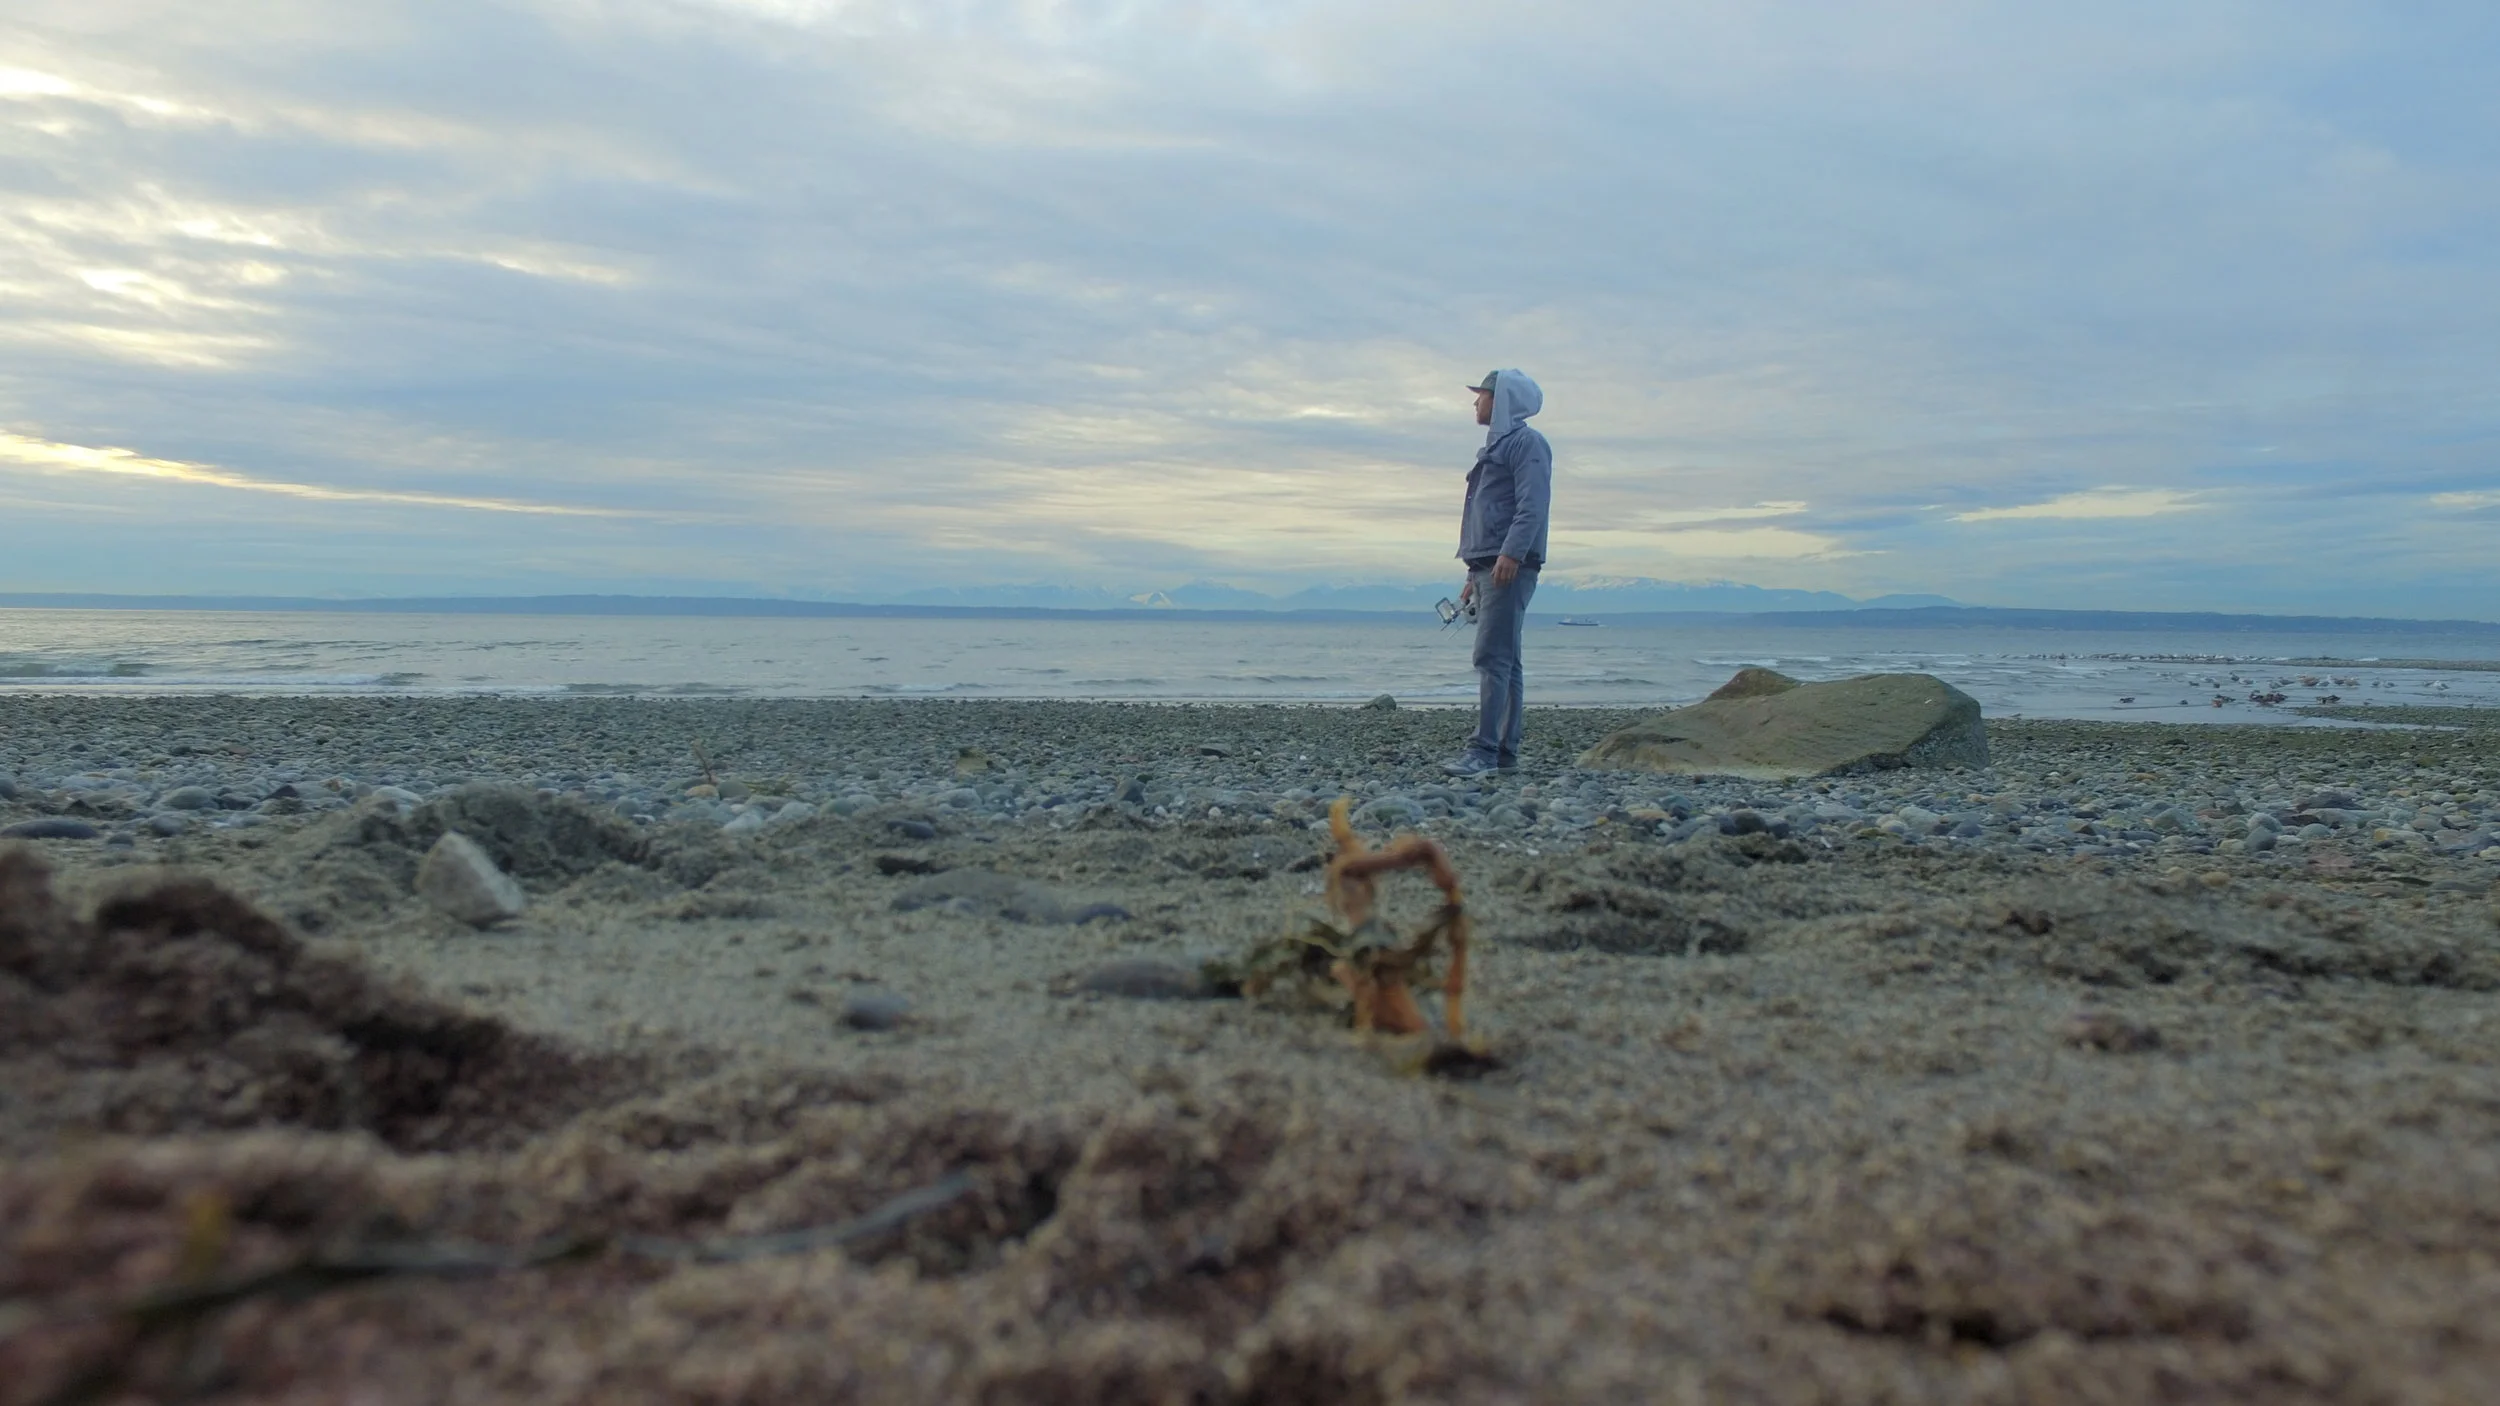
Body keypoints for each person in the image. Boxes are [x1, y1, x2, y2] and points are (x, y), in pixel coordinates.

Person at [1445, 368, 1549, 776]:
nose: (1476, 402)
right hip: (1489, 562)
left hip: (1508, 564)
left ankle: (1484, 752)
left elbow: (1532, 503)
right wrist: (1473, 571)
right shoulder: (1496, 447)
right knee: (1507, 660)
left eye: (1482, 395)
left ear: (1502, 398)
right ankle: (1504, 752)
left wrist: (1512, 552)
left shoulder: (1527, 443)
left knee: (1491, 656)